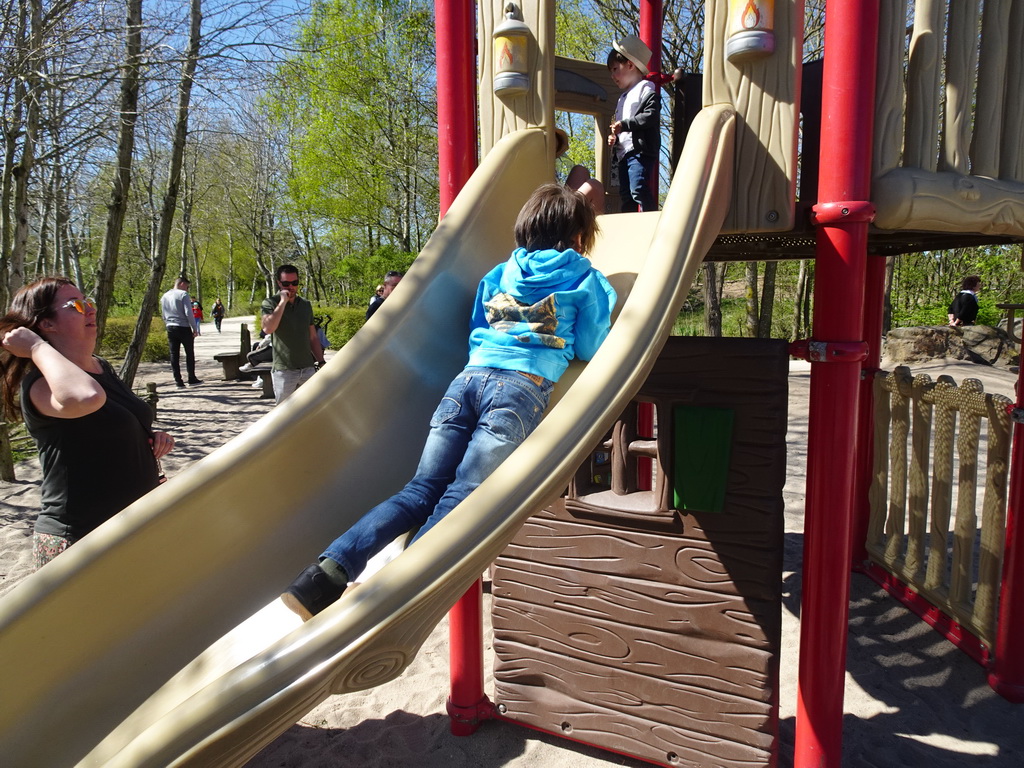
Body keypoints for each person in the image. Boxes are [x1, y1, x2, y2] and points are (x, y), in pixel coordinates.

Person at [281, 183, 618, 620]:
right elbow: (594, 346)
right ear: (577, 235)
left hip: (467, 382)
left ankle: (323, 576)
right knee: (461, 495)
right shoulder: (584, 278)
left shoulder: (498, 274)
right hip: (520, 389)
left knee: (420, 488)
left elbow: (481, 326)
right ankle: (393, 590)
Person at [0, 277, 175, 568]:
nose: (90, 310)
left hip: (129, 526)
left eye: (89, 302)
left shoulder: (99, 366)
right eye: (76, 305)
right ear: (46, 324)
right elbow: (86, 398)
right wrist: (35, 348)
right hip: (80, 540)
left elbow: (106, 421)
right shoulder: (40, 385)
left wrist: (147, 436)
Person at [607, 34, 660, 213]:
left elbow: (650, 116)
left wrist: (625, 125)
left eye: (615, 69)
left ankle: (650, 218)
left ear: (630, 65)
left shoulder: (646, 90)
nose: (613, 76)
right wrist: (615, 137)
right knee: (625, 193)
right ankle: (629, 221)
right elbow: (620, 125)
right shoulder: (623, 98)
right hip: (624, 153)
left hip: (639, 150)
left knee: (637, 187)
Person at [261, 265, 326, 405]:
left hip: (307, 368)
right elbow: (267, 329)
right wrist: (283, 302)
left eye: (294, 283)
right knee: (283, 414)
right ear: (279, 283)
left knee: (311, 410)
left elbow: (313, 337)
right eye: (286, 283)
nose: (291, 287)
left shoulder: (305, 305)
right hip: (284, 371)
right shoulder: (270, 303)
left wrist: (320, 361)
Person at [160, 276, 202, 387]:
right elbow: (189, 312)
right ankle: (191, 378)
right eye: (187, 287)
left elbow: (163, 313)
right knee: (189, 353)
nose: (187, 290)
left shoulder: (164, 296)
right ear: (182, 284)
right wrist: (194, 327)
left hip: (170, 326)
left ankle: (178, 381)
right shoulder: (183, 295)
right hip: (183, 327)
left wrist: (167, 323)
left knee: (174, 354)